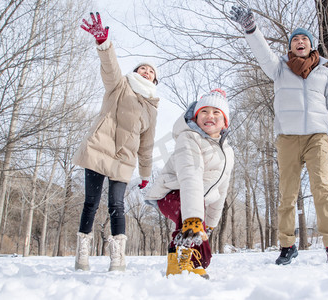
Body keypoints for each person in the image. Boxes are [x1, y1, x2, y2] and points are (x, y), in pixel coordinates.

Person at [230, 4, 328, 265]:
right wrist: (251, 29)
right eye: (295, 39)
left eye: (304, 39)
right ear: (290, 46)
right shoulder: (279, 69)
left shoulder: (325, 74)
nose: (299, 42)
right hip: (287, 137)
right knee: (287, 192)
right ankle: (287, 245)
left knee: (323, 188)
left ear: (311, 45)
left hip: (317, 137)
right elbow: (263, 54)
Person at [72, 12, 160, 272]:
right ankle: (82, 254)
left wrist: (145, 173)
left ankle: (118, 258)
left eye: (151, 70)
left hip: (123, 158)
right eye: (142, 67)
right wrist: (104, 43)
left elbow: (147, 144)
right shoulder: (119, 86)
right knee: (91, 201)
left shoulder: (152, 108)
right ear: (135, 72)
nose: (146, 70)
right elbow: (110, 67)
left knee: (116, 205)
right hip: (99, 148)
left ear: (154, 80)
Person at [145, 89, 234, 279]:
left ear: (225, 121)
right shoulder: (189, 137)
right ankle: (182, 261)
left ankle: (190, 260)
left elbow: (222, 190)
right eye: (204, 111)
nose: (209, 115)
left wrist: (209, 223)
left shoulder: (228, 152)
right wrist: (194, 217)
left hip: (197, 201)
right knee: (190, 217)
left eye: (216, 112)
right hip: (170, 193)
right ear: (196, 116)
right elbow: (190, 175)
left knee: (205, 253)